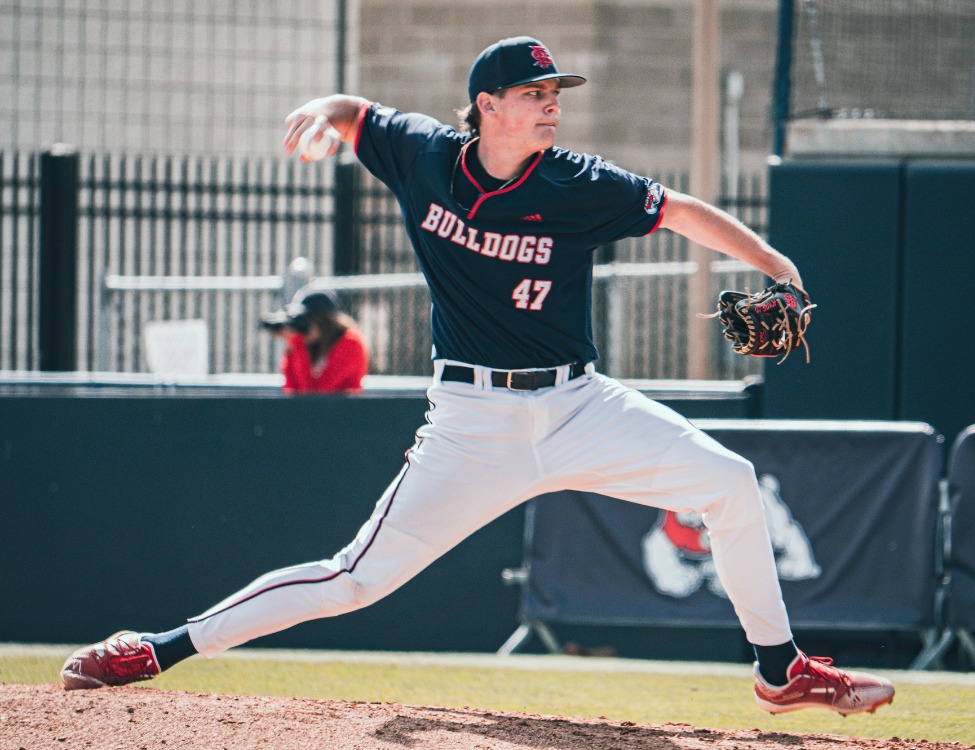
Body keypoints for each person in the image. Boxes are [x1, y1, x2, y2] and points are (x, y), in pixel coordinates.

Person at [61, 36, 894, 716]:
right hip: (471, 422)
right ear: (487, 107)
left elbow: (678, 211)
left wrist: (775, 259)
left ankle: (778, 670)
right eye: (535, 93)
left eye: (555, 91)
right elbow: (358, 116)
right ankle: (157, 647)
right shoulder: (425, 156)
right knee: (354, 580)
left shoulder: (579, 182)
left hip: (579, 404)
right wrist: (326, 106)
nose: (552, 104)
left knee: (733, 484)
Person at [260, 287, 369, 393]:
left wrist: (297, 343)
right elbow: (292, 392)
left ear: (322, 322)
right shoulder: (314, 345)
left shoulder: (350, 343)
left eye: (305, 321)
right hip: (317, 410)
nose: (302, 331)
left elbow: (316, 395)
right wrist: (290, 349)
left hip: (343, 410)